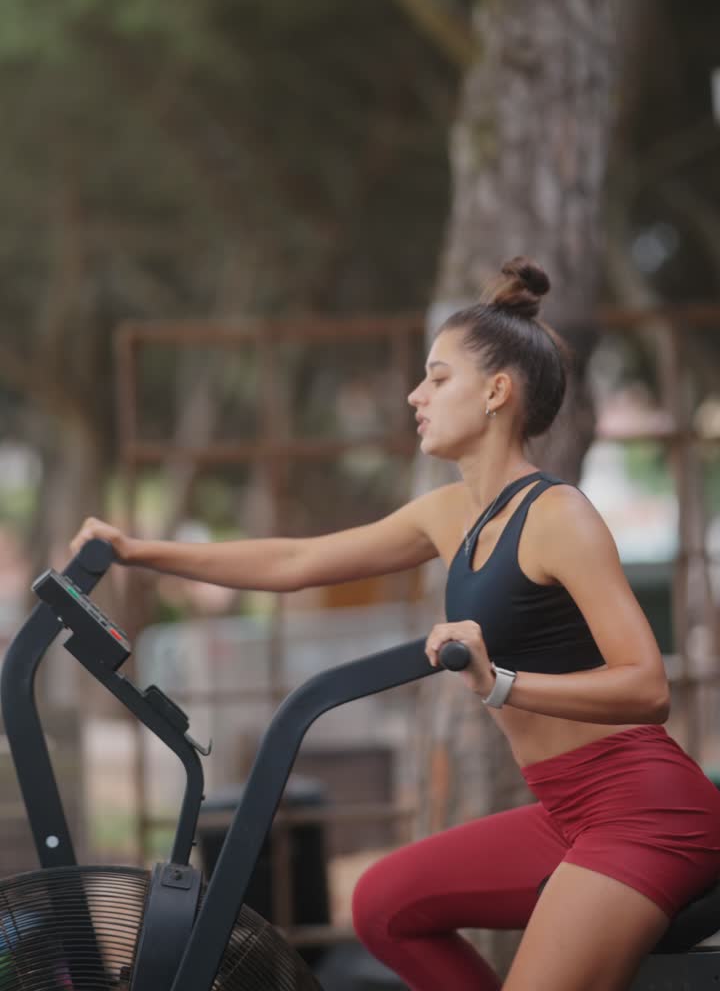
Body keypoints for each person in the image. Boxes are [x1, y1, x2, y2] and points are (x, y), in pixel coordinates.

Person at [70, 256, 720, 991]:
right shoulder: (451, 515)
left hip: (645, 813)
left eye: (439, 378)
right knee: (386, 904)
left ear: (497, 392)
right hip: (566, 811)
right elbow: (295, 561)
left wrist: (502, 683)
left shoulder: (558, 516)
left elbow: (648, 686)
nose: (416, 395)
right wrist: (136, 550)